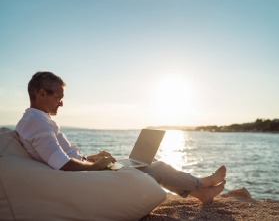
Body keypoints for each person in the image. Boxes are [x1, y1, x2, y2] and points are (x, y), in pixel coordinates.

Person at [16, 71, 226, 204]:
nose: (61, 103)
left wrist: (91, 158)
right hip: (86, 180)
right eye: (58, 97)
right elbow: (62, 165)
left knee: (146, 163)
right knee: (158, 168)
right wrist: (96, 166)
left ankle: (200, 194)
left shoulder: (37, 120)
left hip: (86, 172)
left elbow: (62, 157)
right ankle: (202, 184)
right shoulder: (37, 122)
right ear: (42, 93)